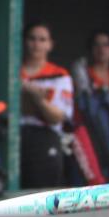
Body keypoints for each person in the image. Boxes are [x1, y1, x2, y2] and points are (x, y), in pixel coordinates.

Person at [20, 21, 73, 188]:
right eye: (32, 39)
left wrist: (37, 98)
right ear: (24, 41)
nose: (36, 44)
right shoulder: (12, 71)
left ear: (50, 45)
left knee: (43, 196)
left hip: (45, 139)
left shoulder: (59, 75)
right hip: (14, 138)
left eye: (42, 40)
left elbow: (57, 117)